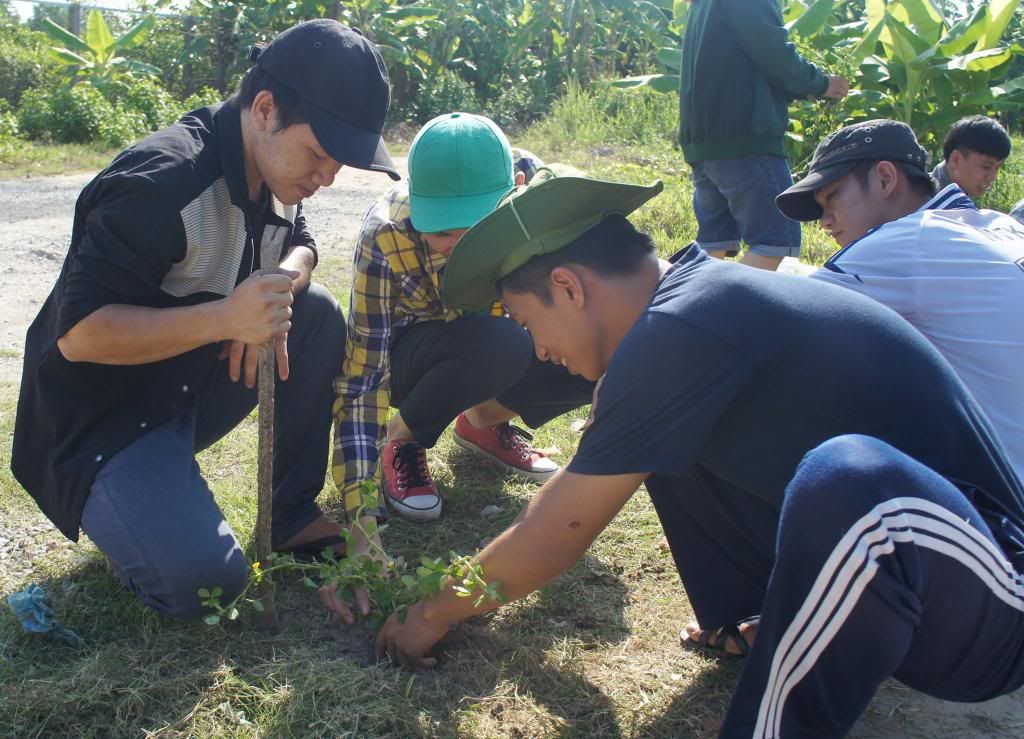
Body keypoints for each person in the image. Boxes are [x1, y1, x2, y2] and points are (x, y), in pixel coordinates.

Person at [350, 168, 1024, 737]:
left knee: (850, 479)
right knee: (638, 429)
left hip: (990, 603)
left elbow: (554, 532)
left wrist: (432, 610)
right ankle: (758, 620)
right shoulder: (684, 311)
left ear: (570, 287)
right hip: (912, 591)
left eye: (528, 325)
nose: (539, 350)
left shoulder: (687, 322)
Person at [10, 20, 400, 622]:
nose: (326, 178)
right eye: (320, 154)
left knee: (314, 311)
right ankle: (137, 517)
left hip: (182, 384)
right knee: (206, 585)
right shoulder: (162, 184)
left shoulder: (274, 169)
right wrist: (224, 318)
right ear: (265, 109)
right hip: (97, 423)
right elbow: (80, 334)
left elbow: (301, 242)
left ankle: (290, 514)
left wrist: (273, 290)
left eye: (339, 163)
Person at [332, 113, 594, 524]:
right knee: (501, 343)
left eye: (475, 230)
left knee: (593, 351)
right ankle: (403, 440)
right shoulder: (385, 234)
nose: (459, 247)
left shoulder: (535, 197)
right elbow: (365, 375)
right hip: (416, 359)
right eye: (442, 234)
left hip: (499, 340)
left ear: (516, 193)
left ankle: (483, 424)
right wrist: (359, 508)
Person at [775, 119, 1024, 484]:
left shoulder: (907, 239)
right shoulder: (999, 225)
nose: (825, 222)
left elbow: (777, 315)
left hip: (1011, 511)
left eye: (832, 198)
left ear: (886, 179)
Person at [678, 0, 849, 271]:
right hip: (745, 136)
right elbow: (773, 54)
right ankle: (717, 309)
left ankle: (683, 305)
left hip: (705, 140)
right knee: (776, 240)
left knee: (714, 243)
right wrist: (821, 83)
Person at [930, 114, 1011, 201]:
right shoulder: (923, 203)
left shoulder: (957, 197)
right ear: (955, 160)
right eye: (986, 166)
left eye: (997, 167)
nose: (992, 177)